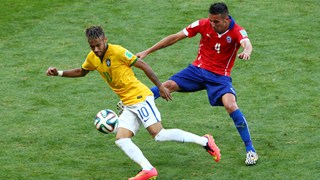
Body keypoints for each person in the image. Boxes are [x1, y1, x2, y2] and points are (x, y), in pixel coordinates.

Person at [46, 26, 221, 180]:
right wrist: (58, 73)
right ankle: (148, 169)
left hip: (140, 97)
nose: (96, 49)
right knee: (121, 140)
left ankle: (205, 141)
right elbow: (81, 71)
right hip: (128, 103)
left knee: (158, 135)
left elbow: (143, 65)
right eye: (92, 46)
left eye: (98, 44)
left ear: (105, 40)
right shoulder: (92, 57)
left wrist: (160, 86)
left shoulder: (118, 51)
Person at [135, 2, 258, 165]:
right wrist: (147, 51)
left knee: (231, 105)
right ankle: (135, 101)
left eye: (216, 22)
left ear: (226, 19)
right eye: (211, 20)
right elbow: (175, 37)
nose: (212, 24)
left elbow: (246, 44)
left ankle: (250, 150)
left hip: (220, 77)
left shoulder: (237, 31)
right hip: (197, 71)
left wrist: (246, 52)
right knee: (167, 86)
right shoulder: (202, 24)